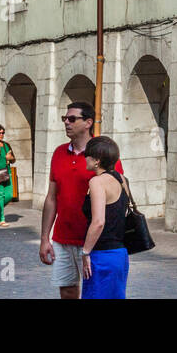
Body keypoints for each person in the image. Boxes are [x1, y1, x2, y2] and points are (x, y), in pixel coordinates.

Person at [40, 101, 124, 299]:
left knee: (95, 293)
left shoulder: (105, 155)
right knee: (67, 291)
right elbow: (52, 198)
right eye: (64, 119)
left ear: (88, 123)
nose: (66, 123)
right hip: (63, 238)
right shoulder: (59, 153)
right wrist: (45, 237)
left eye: (72, 119)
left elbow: (116, 198)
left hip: (93, 241)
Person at [80, 135, 130, 299]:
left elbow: (99, 222)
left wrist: (85, 252)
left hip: (101, 256)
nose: (84, 158)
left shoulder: (97, 182)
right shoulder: (122, 179)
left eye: (86, 155)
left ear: (97, 160)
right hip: (120, 255)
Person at [0, 125, 17, 227]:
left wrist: (10, 158)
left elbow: (13, 160)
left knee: (9, 195)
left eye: (2, 133)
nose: (1, 135)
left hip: (6, 172)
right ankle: (1, 219)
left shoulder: (7, 145)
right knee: (0, 196)